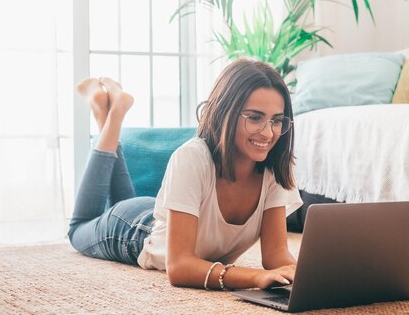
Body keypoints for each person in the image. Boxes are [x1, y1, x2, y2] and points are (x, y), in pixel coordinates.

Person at [68, 58, 303, 291]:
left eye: (277, 120)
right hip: (134, 231)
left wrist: (306, 278)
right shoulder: (193, 157)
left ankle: (105, 115)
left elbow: (276, 255)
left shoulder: (275, 168)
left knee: (120, 199)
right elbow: (179, 267)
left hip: (164, 216)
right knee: (79, 228)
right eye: (254, 118)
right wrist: (254, 278)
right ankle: (111, 117)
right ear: (225, 112)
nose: (268, 132)